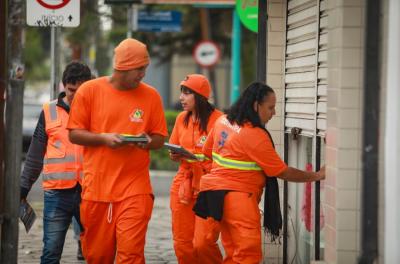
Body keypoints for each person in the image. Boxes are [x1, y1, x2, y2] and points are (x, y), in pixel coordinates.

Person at [193, 82, 326, 264]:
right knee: (246, 254)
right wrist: (316, 175)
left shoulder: (222, 121)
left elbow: (208, 151)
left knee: (221, 248)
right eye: (270, 107)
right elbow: (282, 171)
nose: (274, 113)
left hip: (211, 193)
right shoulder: (254, 135)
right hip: (239, 200)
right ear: (256, 106)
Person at [67, 38, 168, 263]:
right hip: (97, 190)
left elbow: (160, 138)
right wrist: (103, 138)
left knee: (131, 254)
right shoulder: (90, 91)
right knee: (97, 256)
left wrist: (147, 142)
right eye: (139, 68)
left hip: (135, 188)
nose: (143, 74)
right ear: (123, 66)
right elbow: (74, 133)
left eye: (145, 68)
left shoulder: (151, 96)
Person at [20, 61, 92, 263]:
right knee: (51, 252)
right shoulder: (49, 111)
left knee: (97, 252)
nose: (76, 95)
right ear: (63, 86)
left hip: (91, 192)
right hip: (57, 194)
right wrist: (24, 187)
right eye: (71, 90)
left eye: (81, 90)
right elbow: (35, 154)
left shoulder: (97, 111)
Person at [168, 74, 223, 264]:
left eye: (187, 93)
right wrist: (175, 155)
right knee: (182, 244)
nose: (181, 98)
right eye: (181, 92)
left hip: (208, 186)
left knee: (203, 243)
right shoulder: (181, 119)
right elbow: (174, 147)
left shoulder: (219, 120)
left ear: (200, 95)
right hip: (183, 185)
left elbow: (225, 156)